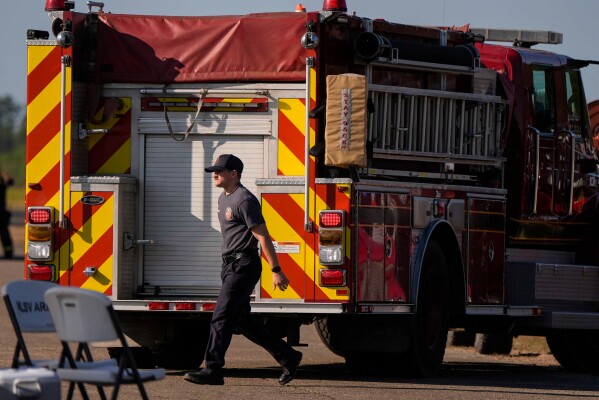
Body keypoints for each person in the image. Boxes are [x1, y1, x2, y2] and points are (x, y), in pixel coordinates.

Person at [183, 154, 302, 386]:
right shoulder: (223, 198)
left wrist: (276, 269)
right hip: (229, 265)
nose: (215, 174)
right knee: (242, 322)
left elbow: (263, 237)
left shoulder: (244, 200)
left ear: (234, 173)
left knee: (221, 316)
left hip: (243, 265)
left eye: (220, 170)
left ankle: (213, 369)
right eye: (214, 170)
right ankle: (288, 356)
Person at [0, 171, 13, 259]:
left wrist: (3, 174)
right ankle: (8, 252)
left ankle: (8, 252)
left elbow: (10, 181)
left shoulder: (2, 184)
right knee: (5, 234)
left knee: (5, 235)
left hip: (1, 213)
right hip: (2, 213)